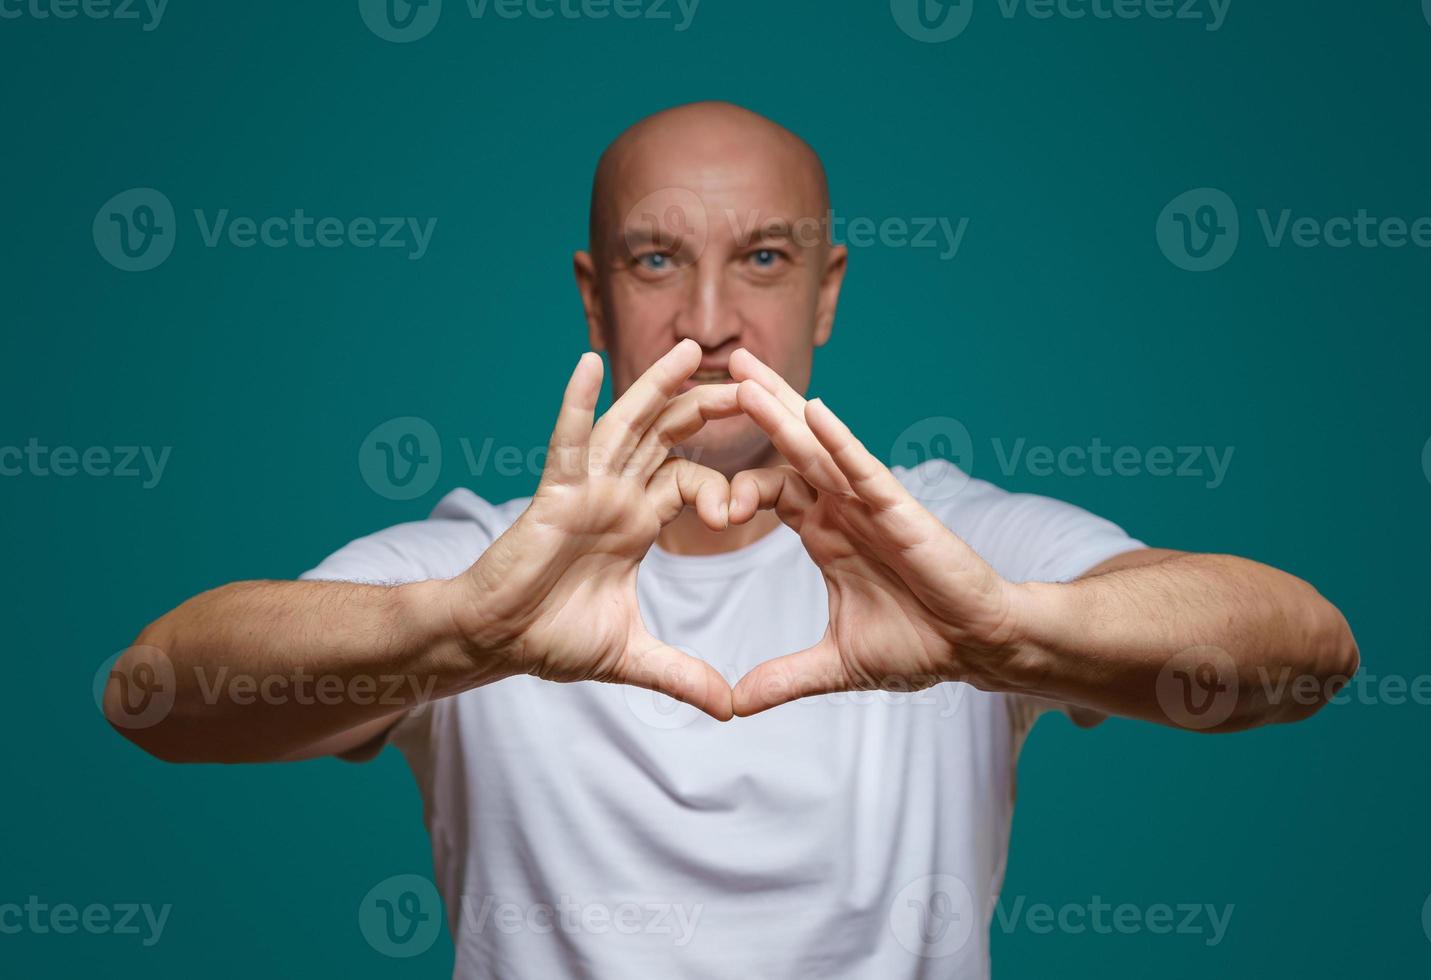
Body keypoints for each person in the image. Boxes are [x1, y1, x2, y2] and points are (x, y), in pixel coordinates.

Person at [106, 101, 1359, 978]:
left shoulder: (950, 540)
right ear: (595, 293)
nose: (711, 321)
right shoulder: (495, 563)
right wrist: (463, 629)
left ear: (828, 289)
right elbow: (155, 693)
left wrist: (1014, 633)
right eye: (660, 259)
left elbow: (1307, 650)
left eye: (763, 257)